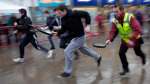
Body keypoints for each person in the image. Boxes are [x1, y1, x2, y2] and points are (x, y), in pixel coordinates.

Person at [54, 5, 101, 78]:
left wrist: (88, 25)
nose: (59, 15)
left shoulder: (74, 13)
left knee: (67, 51)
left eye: (60, 13)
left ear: (64, 10)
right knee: (84, 50)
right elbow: (64, 28)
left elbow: (86, 14)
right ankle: (98, 57)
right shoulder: (63, 18)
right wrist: (58, 33)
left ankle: (67, 72)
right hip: (74, 37)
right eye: (57, 13)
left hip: (80, 36)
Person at [106, 6, 146, 75]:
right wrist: (109, 39)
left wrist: (132, 37)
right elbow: (113, 31)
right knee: (121, 53)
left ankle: (143, 56)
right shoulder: (115, 20)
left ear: (122, 10)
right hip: (125, 40)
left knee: (137, 53)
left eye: (117, 11)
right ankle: (126, 69)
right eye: (114, 12)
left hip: (135, 39)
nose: (115, 14)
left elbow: (138, 29)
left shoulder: (129, 17)